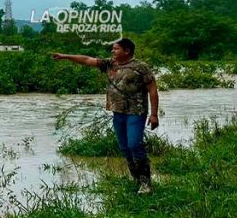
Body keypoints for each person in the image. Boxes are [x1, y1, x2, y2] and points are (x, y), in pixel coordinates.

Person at [51, 38, 159, 194]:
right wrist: (65, 56)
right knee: (125, 148)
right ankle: (136, 180)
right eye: (113, 49)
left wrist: (154, 114)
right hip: (118, 113)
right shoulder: (110, 64)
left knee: (135, 145)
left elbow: (153, 90)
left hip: (136, 112)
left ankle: (146, 183)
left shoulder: (141, 67)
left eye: (115, 49)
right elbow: (87, 60)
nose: (112, 51)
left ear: (126, 51)